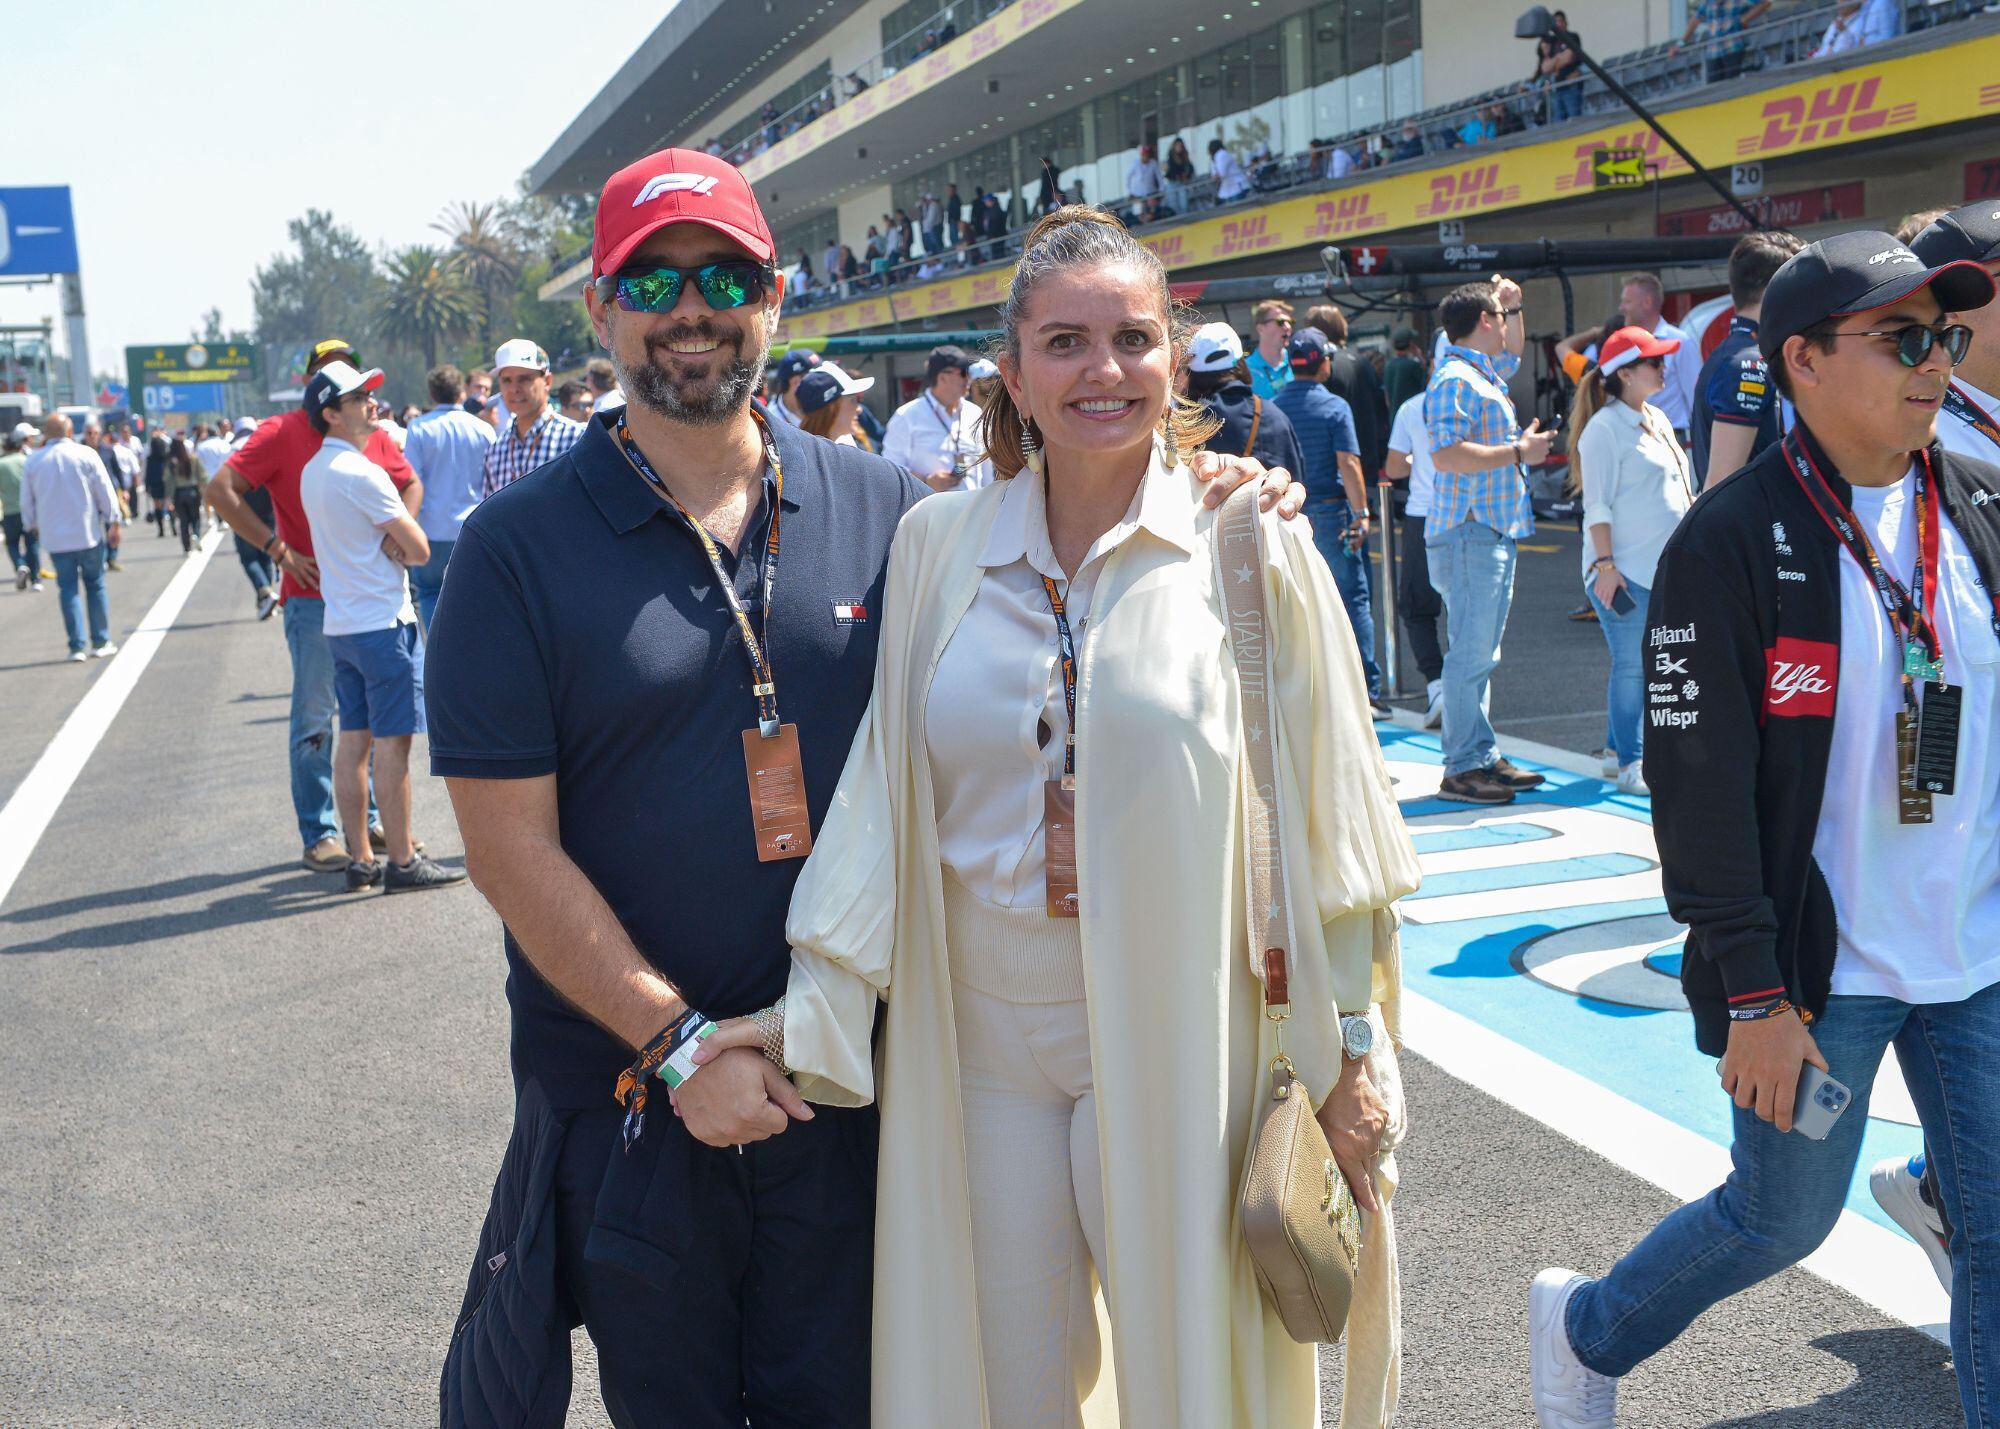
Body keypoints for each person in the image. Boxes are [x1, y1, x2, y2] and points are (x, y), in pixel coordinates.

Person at [426, 147, 1307, 1427]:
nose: (691, 305)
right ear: (602, 309)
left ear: (773, 297)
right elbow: (509, 851)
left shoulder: (892, 510)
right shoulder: (515, 550)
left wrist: (1215, 484)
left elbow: (1071, 526)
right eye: (654, 277)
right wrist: (676, 1048)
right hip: (639, 1102)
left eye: (723, 273)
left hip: (862, 1089)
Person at [688, 202, 1412, 1429]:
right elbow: (879, 789)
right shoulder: (934, 544)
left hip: (1184, 1015)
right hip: (977, 1030)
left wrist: (1352, 1046)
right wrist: (813, 999)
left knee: (1193, 1368)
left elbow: (1332, 823)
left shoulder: (1249, 543)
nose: (1103, 371)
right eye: (1064, 343)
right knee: (1002, 1377)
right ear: (1009, 373)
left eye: (1133, 339)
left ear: (1174, 359)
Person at [1531, 232, 2000, 1429]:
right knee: (1776, 1217)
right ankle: (1584, 1324)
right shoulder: (1731, 538)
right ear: (1797, 360)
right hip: (1817, 966)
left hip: (1975, 953)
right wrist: (1751, 992)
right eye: (1900, 337)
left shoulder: (1982, 506)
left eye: (1942, 336)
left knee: (1995, 1224)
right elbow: (1697, 789)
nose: (1932, 362)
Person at [204, 337, 425, 874]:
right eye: (330, 371)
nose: (346, 380)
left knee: (360, 729)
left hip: (363, 599)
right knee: (318, 721)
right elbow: (220, 489)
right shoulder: (281, 433)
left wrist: (400, 532)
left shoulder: (364, 436)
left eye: (347, 368)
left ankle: (370, 830)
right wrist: (276, 548)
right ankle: (321, 830)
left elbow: (409, 484)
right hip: (313, 600)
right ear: (316, 391)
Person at [296, 360, 464, 896]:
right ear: (331, 413)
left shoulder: (314, 469)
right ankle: (404, 857)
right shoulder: (361, 472)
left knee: (354, 743)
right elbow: (415, 548)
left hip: (342, 622)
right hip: (383, 624)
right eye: (358, 398)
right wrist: (396, 541)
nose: (371, 403)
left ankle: (362, 858)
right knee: (392, 747)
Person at [1424, 276, 1553, 805]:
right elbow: (1446, 453)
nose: (1507, 327)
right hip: (1472, 532)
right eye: (1501, 317)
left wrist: (1515, 304)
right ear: (1484, 322)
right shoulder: (1457, 377)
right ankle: (1462, 766)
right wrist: (1519, 453)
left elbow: (1515, 354)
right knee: (1470, 654)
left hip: (1482, 530)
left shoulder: (1476, 371)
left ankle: (1477, 755)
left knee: (1479, 652)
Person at [1566, 327, 1694, 798]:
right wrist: (1604, 566)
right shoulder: (1603, 429)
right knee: (1634, 665)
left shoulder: (1654, 416)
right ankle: (1630, 762)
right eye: (1653, 362)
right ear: (1624, 374)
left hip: (1654, 569)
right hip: (1621, 570)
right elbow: (1595, 505)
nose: (1662, 368)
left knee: (1642, 662)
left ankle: (1615, 752)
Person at [1278, 327, 1389, 715]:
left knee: (1298, 604)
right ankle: (1365, 689)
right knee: (1352, 598)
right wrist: (1362, 514)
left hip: (1288, 512)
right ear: (1323, 362)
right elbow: (1350, 462)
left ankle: (1314, 692)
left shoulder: (1274, 406)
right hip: (1331, 510)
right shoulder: (1334, 408)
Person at [1691, 230, 1805, 490]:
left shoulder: (1742, 354)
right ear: (1773, 290)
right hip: (1757, 528)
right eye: (1796, 288)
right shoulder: (1748, 364)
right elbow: (1720, 484)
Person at [401, 364, 495, 631]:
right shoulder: (483, 429)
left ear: (431, 394)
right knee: (475, 593)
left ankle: (436, 648)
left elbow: (412, 479)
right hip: (474, 527)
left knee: (430, 591)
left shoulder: (418, 429)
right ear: (462, 392)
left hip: (431, 527)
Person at [22, 413, 121, 661]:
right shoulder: (86, 454)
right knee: (95, 585)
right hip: (87, 532)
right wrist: (113, 521)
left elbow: (27, 501)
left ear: (45, 434)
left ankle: (76, 646)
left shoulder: (34, 461)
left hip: (56, 538)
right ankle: (100, 640)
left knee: (67, 589)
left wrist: (32, 525)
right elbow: (105, 491)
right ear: (69, 432)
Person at [1385, 392, 1447, 728]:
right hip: (1474, 515)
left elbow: (1395, 466)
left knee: (1418, 606)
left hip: (1424, 514)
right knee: (1467, 611)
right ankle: (1466, 691)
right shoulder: (1486, 395)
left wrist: (1420, 462)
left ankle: (1437, 686)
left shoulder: (1413, 406)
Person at [1186, 320, 1307, 479]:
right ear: (1241, 363)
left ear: (1191, 373)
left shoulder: (1186, 422)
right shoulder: (1273, 414)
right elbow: (1296, 480)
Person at [480, 339, 585, 499]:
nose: (514, 389)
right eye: (506, 380)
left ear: (547, 381)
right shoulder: (495, 450)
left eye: (524, 379)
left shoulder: (577, 438)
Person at [882, 344, 987, 491]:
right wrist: (925, 481)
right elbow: (889, 472)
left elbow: (986, 469)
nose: (969, 378)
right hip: (929, 511)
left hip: (975, 510)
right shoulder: (906, 416)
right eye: (963, 373)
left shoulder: (975, 413)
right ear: (943, 377)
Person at [1306, 304, 1390, 486]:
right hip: (1368, 461)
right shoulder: (1363, 362)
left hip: (1339, 472)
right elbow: (1381, 411)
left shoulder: (1325, 368)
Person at [1616, 273, 1698, 439]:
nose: (1621, 308)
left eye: (1627, 301)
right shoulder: (1624, 343)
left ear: (1647, 302)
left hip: (1672, 438)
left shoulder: (1680, 342)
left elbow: (1696, 399)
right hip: (1632, 438)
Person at [226, 418, 280, 620]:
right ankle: (267, 596)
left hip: (243, 510)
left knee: (248, 557)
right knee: (267, 552)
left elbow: (223, 487)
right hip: (267, 509)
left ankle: (264, 590)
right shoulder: (265, 447)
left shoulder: (232, 451)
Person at [1678, 0, 1773, 83]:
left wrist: (1745, 19)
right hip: (1713, 53)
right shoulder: (1707, 3)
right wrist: (1680, 44)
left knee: (1731, 85)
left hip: (1733, 48)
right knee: (1713, 90)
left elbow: (1765, 3)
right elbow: (1694, 22)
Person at [2, 421, 44, 590]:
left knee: (12, 543)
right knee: (32, 543)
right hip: (30, 510)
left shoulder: (2, 464)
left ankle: (20, 565)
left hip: (9, 512)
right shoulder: (28, 461)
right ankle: (36, 580)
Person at [794, 363, 875, 446]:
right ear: (831, 408)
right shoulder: (802, 453)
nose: (859, 409)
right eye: (853, 400)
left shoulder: (846, 441)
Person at [1534, 11, 1585, 122]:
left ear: (1565, 22)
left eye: (1560, 21)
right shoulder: (1552, 43)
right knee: (1559, 123)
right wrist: (1559, 60)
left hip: (1571, 85)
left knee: (1575, 121)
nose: (1558, 24)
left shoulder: (1573, 36)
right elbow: (1546, 68)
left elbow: (1568, 57)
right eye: (1556, 22)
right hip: (1556, 88)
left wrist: (1555, 62)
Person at [1246, 299, 1294, 399]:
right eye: (1280, 322)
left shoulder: (1297, 361)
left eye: (1290, 322)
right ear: (1260, 328)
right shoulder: (1246, 370)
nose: (1288, 327)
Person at [167, 436, 206, 555]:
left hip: (179, 494)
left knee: (183, 521)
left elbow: (169, 482)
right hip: (193, 491)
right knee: (196, 517)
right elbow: (203, 477)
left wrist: (169, 499)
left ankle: (186, 547)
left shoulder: (172, 462)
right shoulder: (193, 459)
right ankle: (196, 534)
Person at [1817, 0, 1901, 55]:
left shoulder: (1883, 3)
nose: (1840, 4)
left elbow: (1888, 38)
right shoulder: (1865, 9)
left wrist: (1864, 44)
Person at [764, 348, 820, 429]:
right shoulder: (771, 422)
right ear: (796, 382)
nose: (823, 380)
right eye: (817, 377)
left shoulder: (827, 403)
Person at [1383, 327, 1428, 414]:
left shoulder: (1388, 366)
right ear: (1411, 344)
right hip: (1411, 416)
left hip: (1394, 417)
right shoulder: (1413, 365)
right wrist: (1420, 357)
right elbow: (1427, 385)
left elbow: (1387, 399)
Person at [1125, 143, 1163, 222]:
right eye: (1143, 155)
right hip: (1137, 193)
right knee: (1138, 213)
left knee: (1152, 211)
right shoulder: (1135, 164)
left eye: (1146, 155)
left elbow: (1159, 178)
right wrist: (1129, 191)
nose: (1145, 157)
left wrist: (1161, 190)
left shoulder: (1153, 163)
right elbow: (1127, 178)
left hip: (1150, 192)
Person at [1208, 137, 1249, 203]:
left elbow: (1221, 173)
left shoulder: (1222, 154)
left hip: (1237, 187)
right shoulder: (1213, 159)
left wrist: (1217, 176)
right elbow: (1213, 175)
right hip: (1227, 190)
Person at [1162, 137, 1195, 213]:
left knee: (1183, 203)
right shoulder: (1170, 157)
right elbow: (1170, 171)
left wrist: (1187, 176)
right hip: (1173, 182)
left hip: (1182, 183)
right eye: (1177, 146)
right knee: (1173, 203)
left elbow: (1190, 168)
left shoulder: (1184, 157)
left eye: (1181, 146)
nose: (1179, 148)